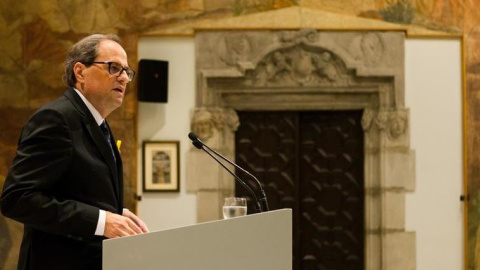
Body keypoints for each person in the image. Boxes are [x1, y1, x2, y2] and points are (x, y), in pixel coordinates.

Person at [0, 34, 149, 270]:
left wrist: (115, 213)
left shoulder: (98, 123)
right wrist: (101, 221)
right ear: (80, 72)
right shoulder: (56, 119)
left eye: (126, 71)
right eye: (113, 67)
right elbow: (18, 198)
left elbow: (73, 189)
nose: (123, 77)